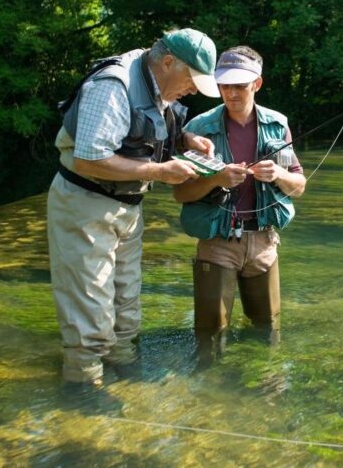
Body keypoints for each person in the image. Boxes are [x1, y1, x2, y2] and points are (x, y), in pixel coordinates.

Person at [47, 28, 218, 386]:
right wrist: (161, 171)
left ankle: (124, 367)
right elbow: (90, 160)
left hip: (127, 205)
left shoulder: (158, 79)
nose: (192, 91)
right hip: (86, 204)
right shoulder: (113, 85)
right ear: (169, 62)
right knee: (90, 303)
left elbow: (146, 130)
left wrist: (185, 139)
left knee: (126, 301)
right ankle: (83, 385)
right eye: (192, 81)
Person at [173, 46, 306, 365]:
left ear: (256, 84)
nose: (230, 93)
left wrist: (278, 175)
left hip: (263, 243)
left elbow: (299, 186)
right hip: (217, 242)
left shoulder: (278, 125)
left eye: (239, 85)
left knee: (267, 330)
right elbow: (181, 195)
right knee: (210, 334)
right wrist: (215, 179)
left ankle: (262, 393)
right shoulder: (197, 128)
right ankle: (210, 395)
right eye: (224, 85)